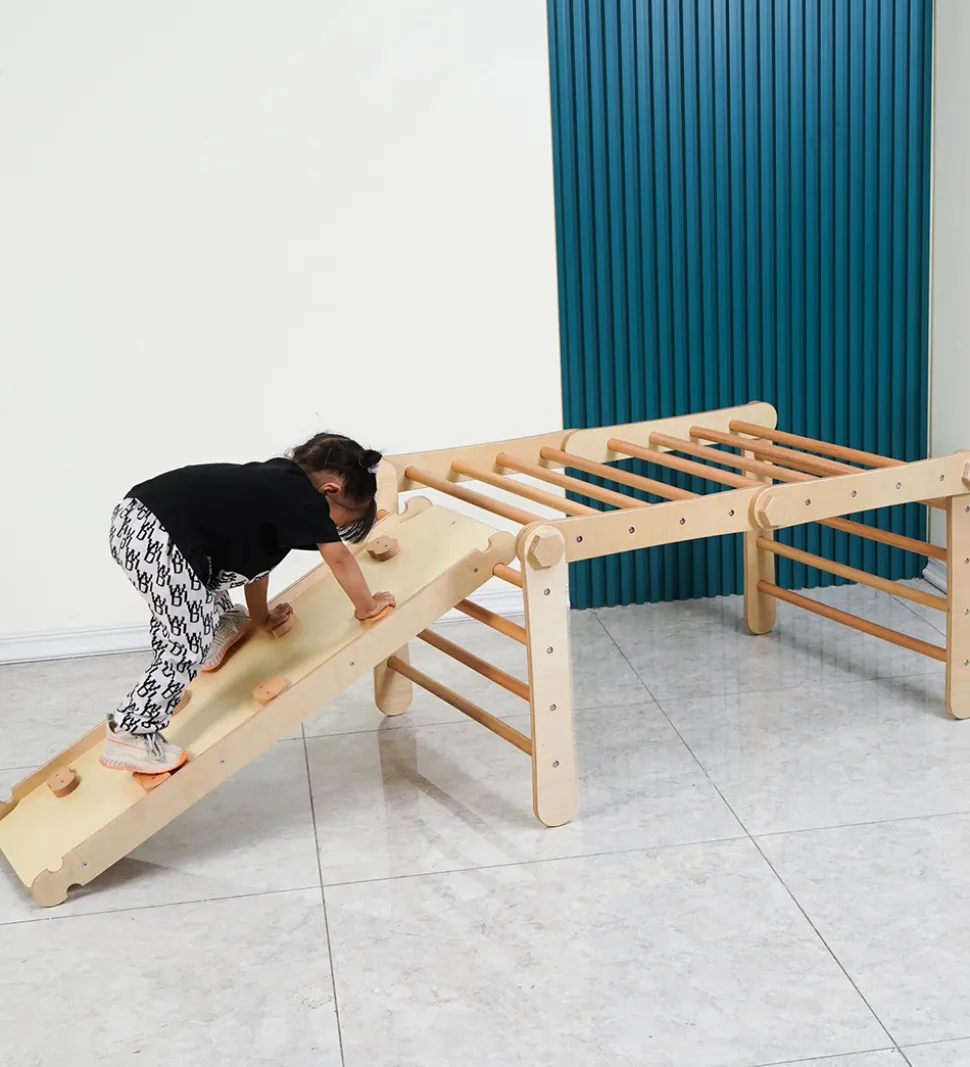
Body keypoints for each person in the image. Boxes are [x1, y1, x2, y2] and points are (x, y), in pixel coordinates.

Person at [100, 433, 395, 775]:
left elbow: (257, 567)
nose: (333, 531)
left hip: (146, 523)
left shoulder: (270, 494)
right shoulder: (301, 495)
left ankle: (214, 634)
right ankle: (131, 730)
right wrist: (367, 606)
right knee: (187, 637)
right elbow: (339, 558)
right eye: (342, 522)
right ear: (329, 491)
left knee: (198, 595)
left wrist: (261, 616)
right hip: (157, 530)